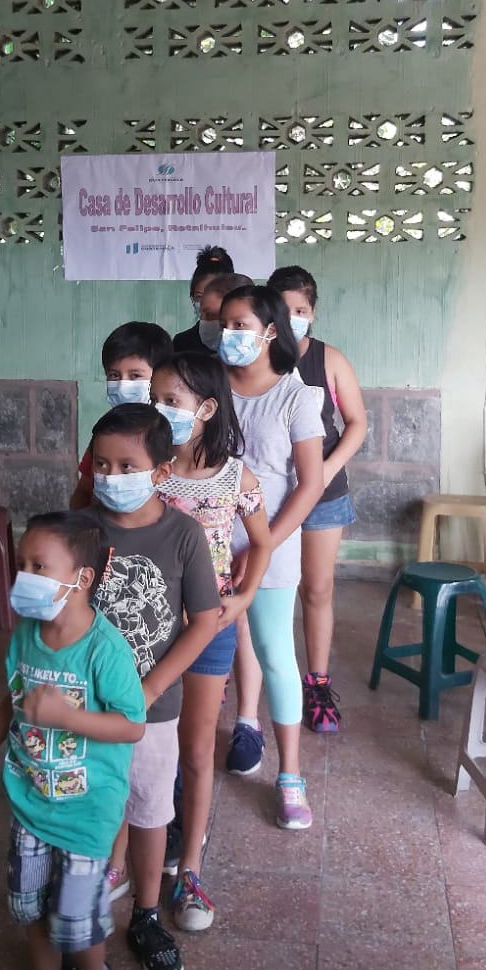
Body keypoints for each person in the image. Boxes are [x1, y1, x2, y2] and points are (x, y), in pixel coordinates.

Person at [0, 512, 145, 970]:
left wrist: (67, 718)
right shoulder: (27, 635)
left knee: (77, 924)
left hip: (87, 812)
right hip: (31, 802)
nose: (24, 577)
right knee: (30, 911)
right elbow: (14, 701)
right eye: (22, 564)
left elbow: (132, 726)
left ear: (82, 578)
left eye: (39, 566)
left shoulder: (104, 650)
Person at [86, 404, 221, 970]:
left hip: (152, 709)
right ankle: (80, 911)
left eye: (127, 465)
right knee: (89, 807)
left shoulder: (183, 535)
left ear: (161, 471)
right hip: (84, 704)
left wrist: (153, 686)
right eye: (101, 465)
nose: (112, 478)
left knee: (146, 813)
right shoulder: (82, 529)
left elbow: (204, 619)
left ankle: (145, 914)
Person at [150, 352, 272, 933]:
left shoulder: (235, 478)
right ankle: (142, 851)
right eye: (154, 398)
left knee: (197, 751)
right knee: (148, 747)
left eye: (170, 401)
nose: (158, 410)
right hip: (149, 629)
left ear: (205, 409)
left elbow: (263, 543)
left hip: (211, 629)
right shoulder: (145, 473)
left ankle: (190, 869)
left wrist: (244, 598)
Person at [216, 286, 325, 830]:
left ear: (270, 332)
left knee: (275, 652)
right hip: (207, 543)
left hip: (274, 547)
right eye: (224, 324)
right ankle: (239, 729)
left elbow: (309, 485)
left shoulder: (297, 397)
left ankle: (290, 777)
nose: (230, 335)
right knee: (211, 650)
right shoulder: (208, 387)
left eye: (242, 325)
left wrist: (264, 544)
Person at [268, 266, 368, 733]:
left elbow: (357, 423)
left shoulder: (329, 360)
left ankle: (317, 682)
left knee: (317, 589)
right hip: (270, 497)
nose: (292, 319)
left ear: (312, 312)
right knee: (267, 591)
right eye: (283, 310)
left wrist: (325, 469)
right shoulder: (257, 358)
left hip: (324, 496)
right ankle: (266, 682)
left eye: (300, 311)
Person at [68, 321, 172, 510]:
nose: (123, 386)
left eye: (135, 376)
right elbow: (84, 490)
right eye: (114, 375)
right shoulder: (107, 432)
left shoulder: (175, 434)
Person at [169, 246, 233, 356]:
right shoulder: (182, 342)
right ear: (192, 297)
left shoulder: (243, 339)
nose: (206, 303)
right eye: (199, 296)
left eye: (216, 295)